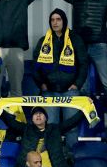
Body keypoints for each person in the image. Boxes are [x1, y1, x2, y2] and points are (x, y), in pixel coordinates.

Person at [31, 8, 88, 149]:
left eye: (58, 19)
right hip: (49, 91)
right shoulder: (43, 41)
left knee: (71, 127)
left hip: (70, 91)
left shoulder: (75, 39)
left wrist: (77, 84)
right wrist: (42, 85)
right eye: (52, 20)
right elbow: (35, 66)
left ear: (64, 21)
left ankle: (72, 159)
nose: (55, 23)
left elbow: (83, 64)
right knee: (50, 126)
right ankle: (50, 159)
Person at [0, 106, 79, 167]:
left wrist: (86, 107)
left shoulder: (55, 129)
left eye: (41, 113)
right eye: (35, 114)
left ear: (46, 118)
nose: (38, 115)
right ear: (32, 119)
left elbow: (73, 121)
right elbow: (10, 122)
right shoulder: (26, 129)